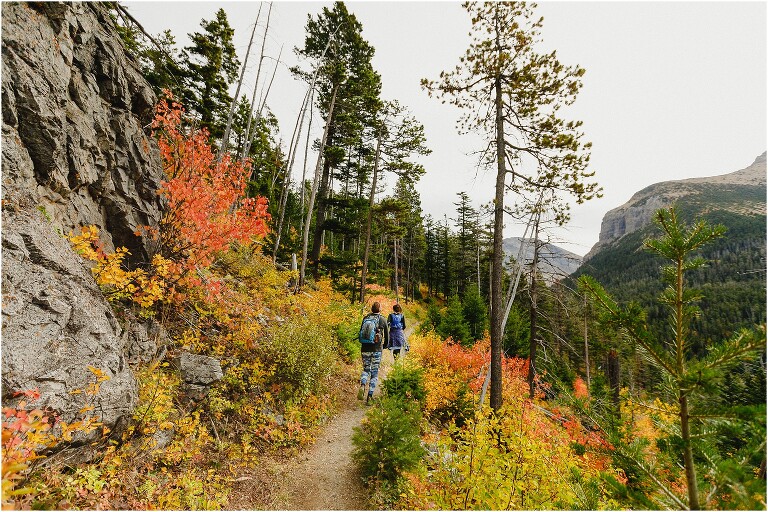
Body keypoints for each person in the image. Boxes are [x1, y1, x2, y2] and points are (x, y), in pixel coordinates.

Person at [357, 301, 388, 404]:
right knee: (374, 373)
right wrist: (384, 346)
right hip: (376, 350)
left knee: (366, 369)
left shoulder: (366, 318)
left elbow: (361, 331)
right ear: (379, 309)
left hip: (365, 348)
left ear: (371, 309)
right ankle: (369, 397)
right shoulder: (383, 319)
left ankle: (362, 384)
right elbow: (387, 337)